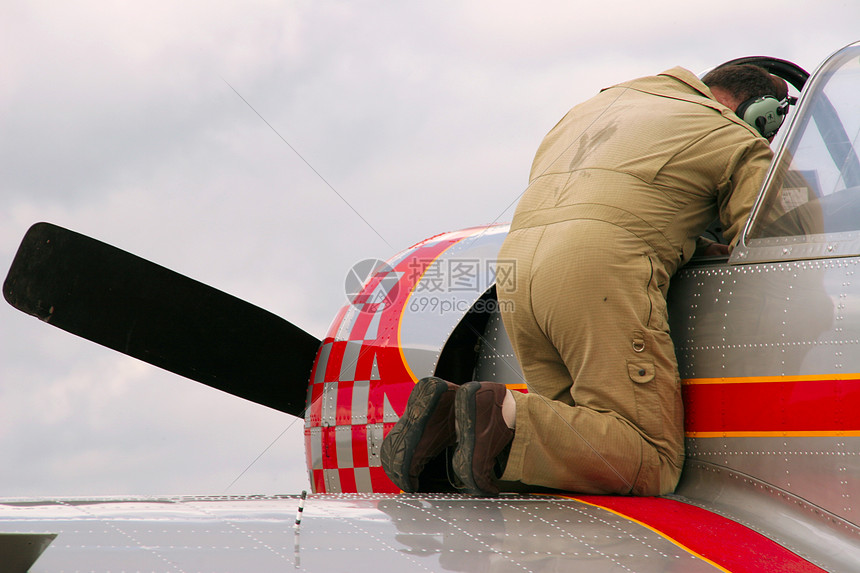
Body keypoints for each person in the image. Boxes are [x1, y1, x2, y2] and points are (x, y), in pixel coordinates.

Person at [382, 63, 788, 496]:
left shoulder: (589, 112)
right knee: (650, 459)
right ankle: (501, 412)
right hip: (599, 275)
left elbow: (627, 203)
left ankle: (449, 415)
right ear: (760, 113)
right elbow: (774, 242)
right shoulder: (734, 136)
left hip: (516, 275)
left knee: (574, 454)